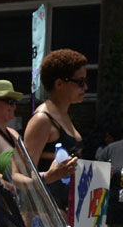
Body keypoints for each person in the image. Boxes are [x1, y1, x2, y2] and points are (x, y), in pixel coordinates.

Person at [23, 49, 86, 208]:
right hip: (46, 218)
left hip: (68, 213)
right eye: (80, 82)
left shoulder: (62, 116)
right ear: (59, 84)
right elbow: (22, 175)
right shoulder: (42, 119)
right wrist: (49, 176)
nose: (85, 87)